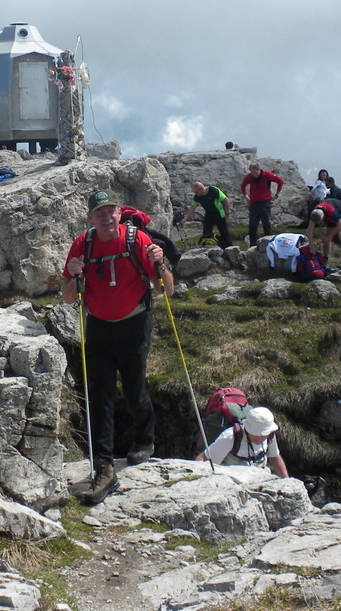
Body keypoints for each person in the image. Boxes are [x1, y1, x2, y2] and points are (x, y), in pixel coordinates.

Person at [62, 190, 174, 505]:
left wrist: (160, 263)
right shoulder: (82, 244)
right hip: (98, 325)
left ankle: (144, 440)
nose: (107, 217)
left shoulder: (136, 241)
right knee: (100, 395)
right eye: (100, 213)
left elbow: (166, 288)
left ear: (119, 213)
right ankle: (104, 467)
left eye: (111, 211)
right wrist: (72, 275)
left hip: (134, 324)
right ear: (90, 218)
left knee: (135, 390)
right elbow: (69, 297)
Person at [195, 407, 288, 478]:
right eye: (257, 433)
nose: (261, 438)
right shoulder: (231, 436)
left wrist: (287, 481)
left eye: (264, 434)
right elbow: (203, 458)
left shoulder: (269, 435)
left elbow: (275, 457)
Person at [240, 163, 285, 244]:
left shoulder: (267, 175)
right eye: (252, 172)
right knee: (252, 226)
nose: (253, 174)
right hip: (253, 203)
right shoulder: (249, 177)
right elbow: (243, 186)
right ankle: (252, 245)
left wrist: (277, 194)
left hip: (265, 203)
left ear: (258, 170)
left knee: (266, 224)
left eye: (255, 172)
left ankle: (270, 244)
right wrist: (246, 196)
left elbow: (280, 181)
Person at [179, 181, 233, 248]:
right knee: (206, 233)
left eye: (196, 192)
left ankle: (230, 248)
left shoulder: (213, 191)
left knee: (224, 233)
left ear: (201, 189)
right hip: (208, 214)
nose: (195, 194)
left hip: (219, 213)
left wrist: (227, 215)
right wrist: (185, 218)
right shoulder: (197, 197)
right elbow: (192, 208)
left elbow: (226, 201)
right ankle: (207, 248)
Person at [305, 197, 341, 264]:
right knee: (325, 238)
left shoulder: (332, 212)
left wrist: (330, 236)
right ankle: (325, 259)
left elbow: (340, 225)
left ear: (323, 217)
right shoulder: (315, 213)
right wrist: (311, 245)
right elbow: (309, 231)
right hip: (330, 218)